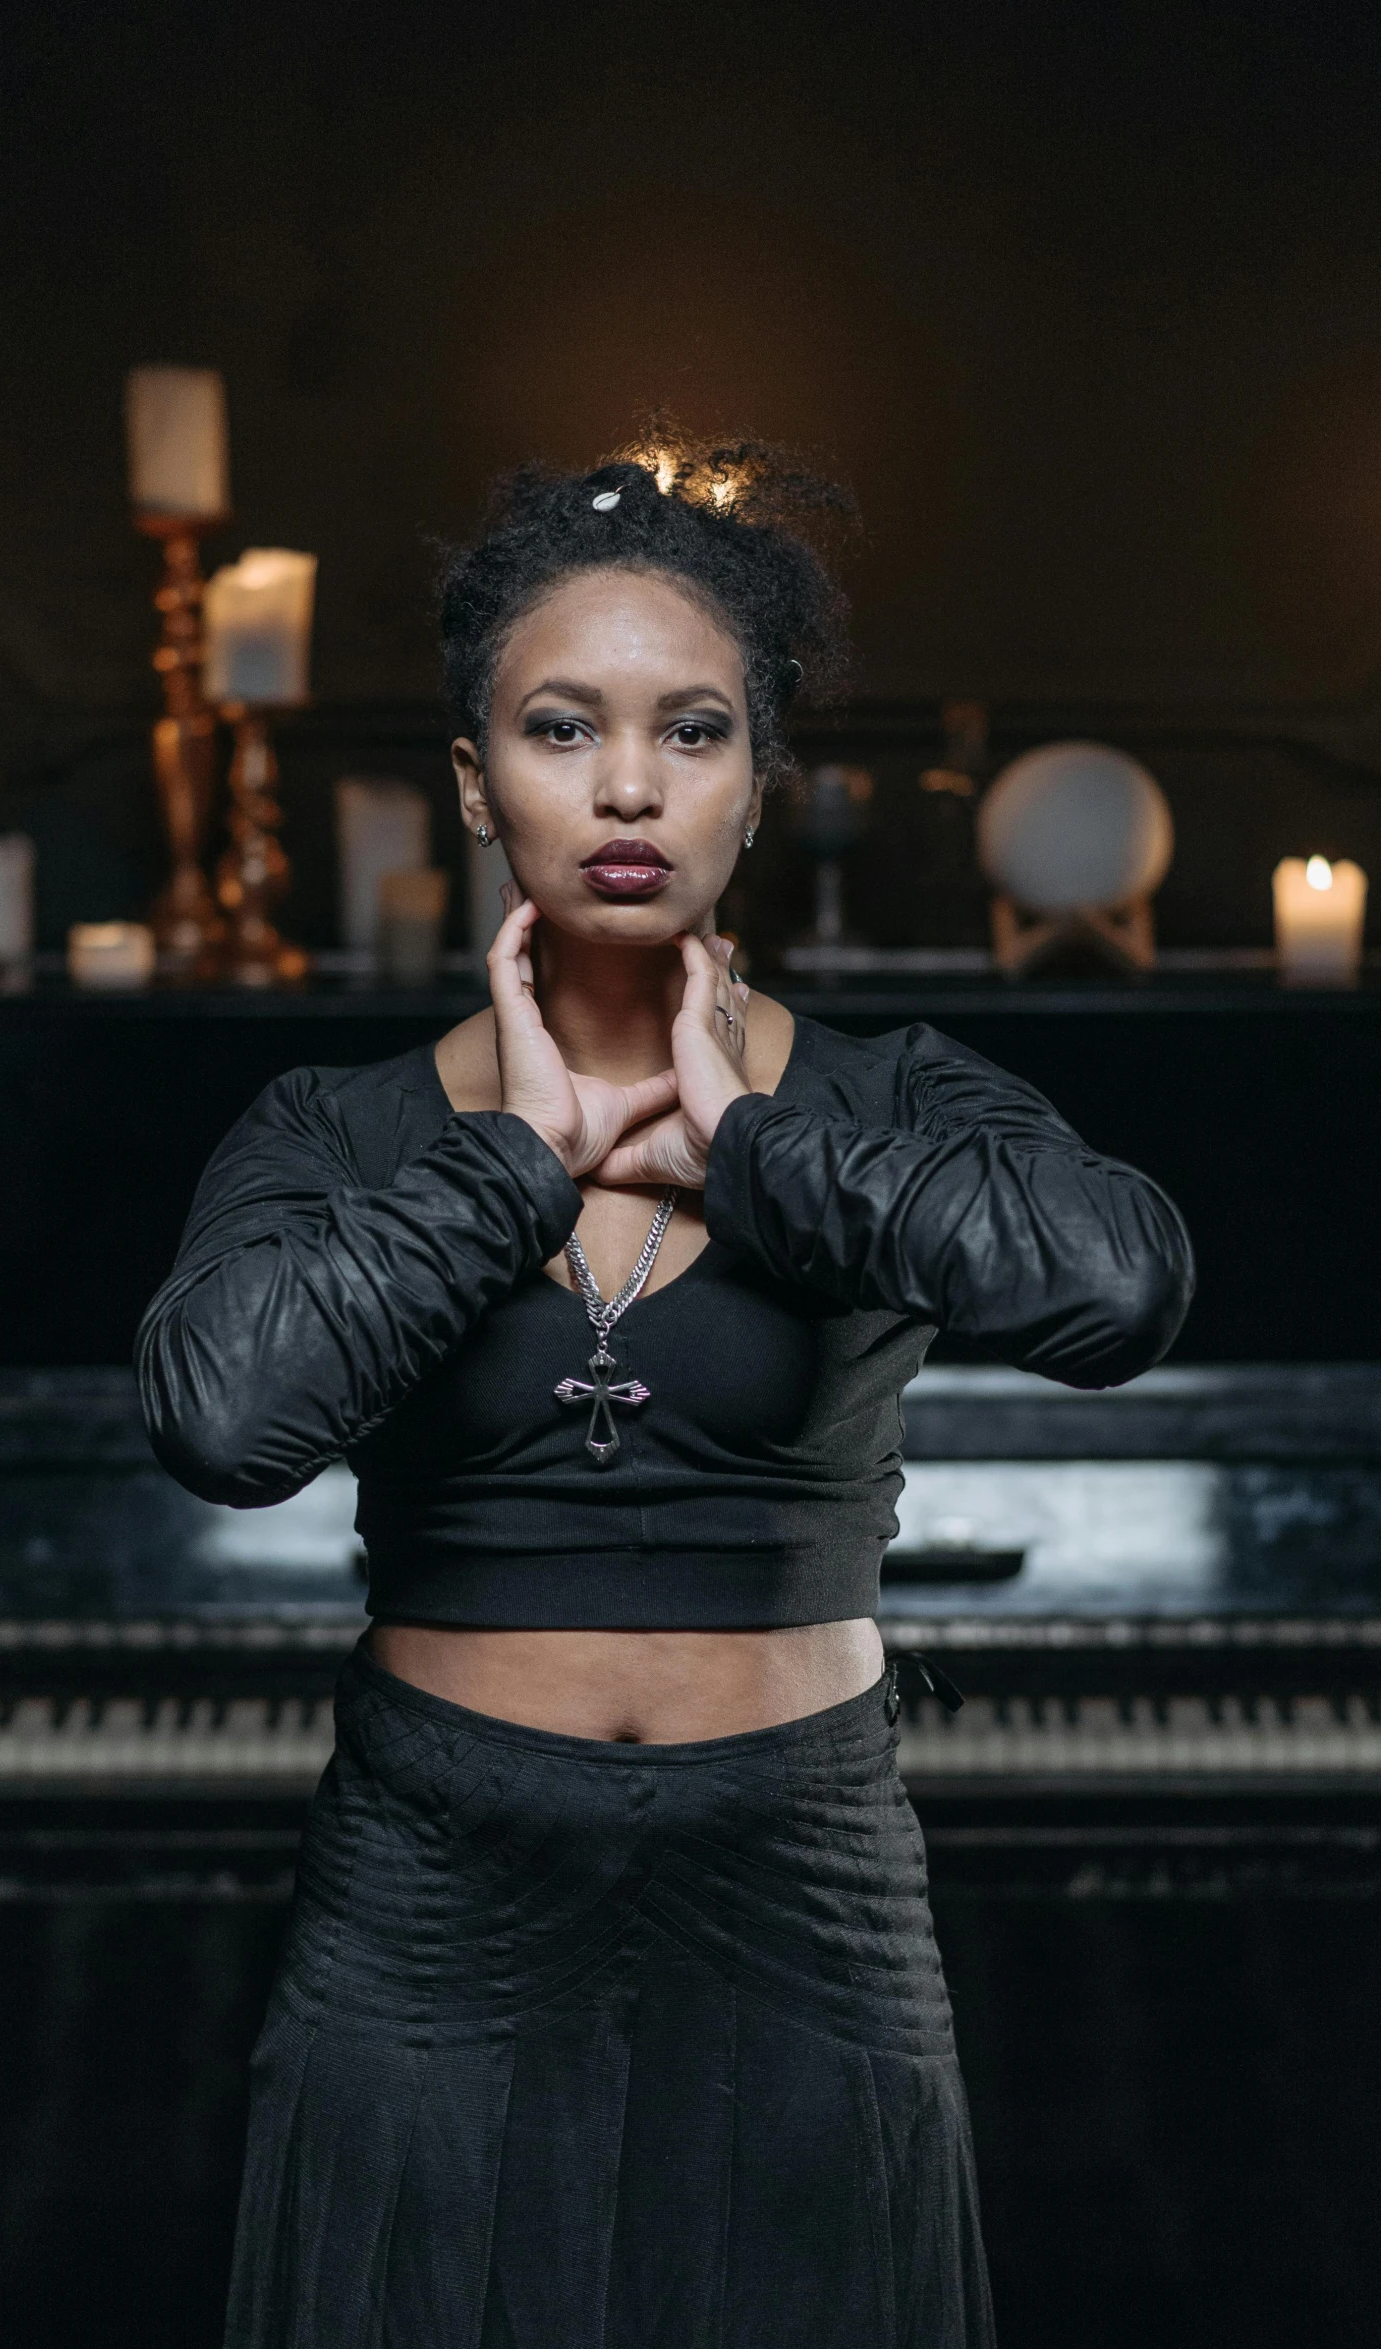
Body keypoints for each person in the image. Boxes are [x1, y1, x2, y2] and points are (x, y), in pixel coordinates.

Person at [137, 441, 1194, 2349]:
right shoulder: (337, 1128)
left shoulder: (886, 1102)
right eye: (562, 728)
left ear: (756, 784)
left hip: (800, 1880)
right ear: (477, 780)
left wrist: (769, 1150)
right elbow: (221, 1418)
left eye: (692, 731)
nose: (628, 785)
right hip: (430, 1894)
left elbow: (1119, 1284)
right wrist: (511, 1170)